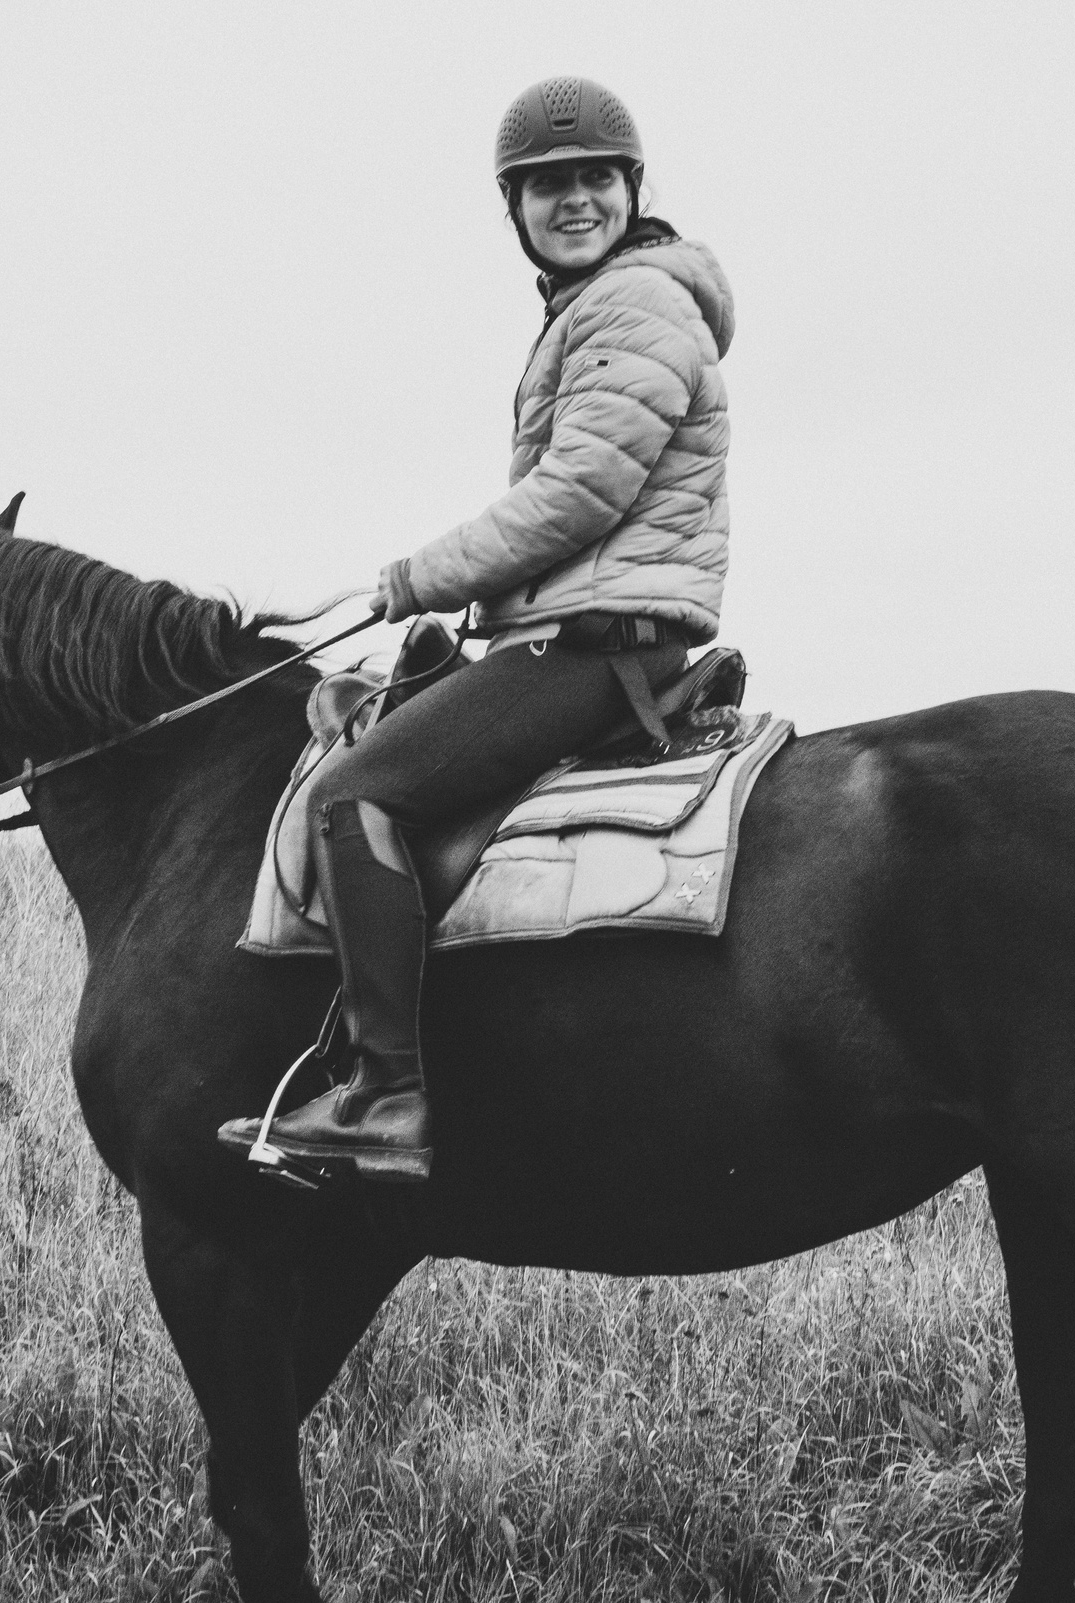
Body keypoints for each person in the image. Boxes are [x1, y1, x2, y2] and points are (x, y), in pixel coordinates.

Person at [221, 75, 736, 1182]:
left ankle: (387, 1094)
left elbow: (579, 494)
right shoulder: (593, 309)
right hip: (566, 627)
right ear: (515, 209)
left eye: (594, 178)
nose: (574, 201)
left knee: (356, 794)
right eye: (547, 186)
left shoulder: (632, 303)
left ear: (630, 188)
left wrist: (399, 583)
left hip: (595, 644)